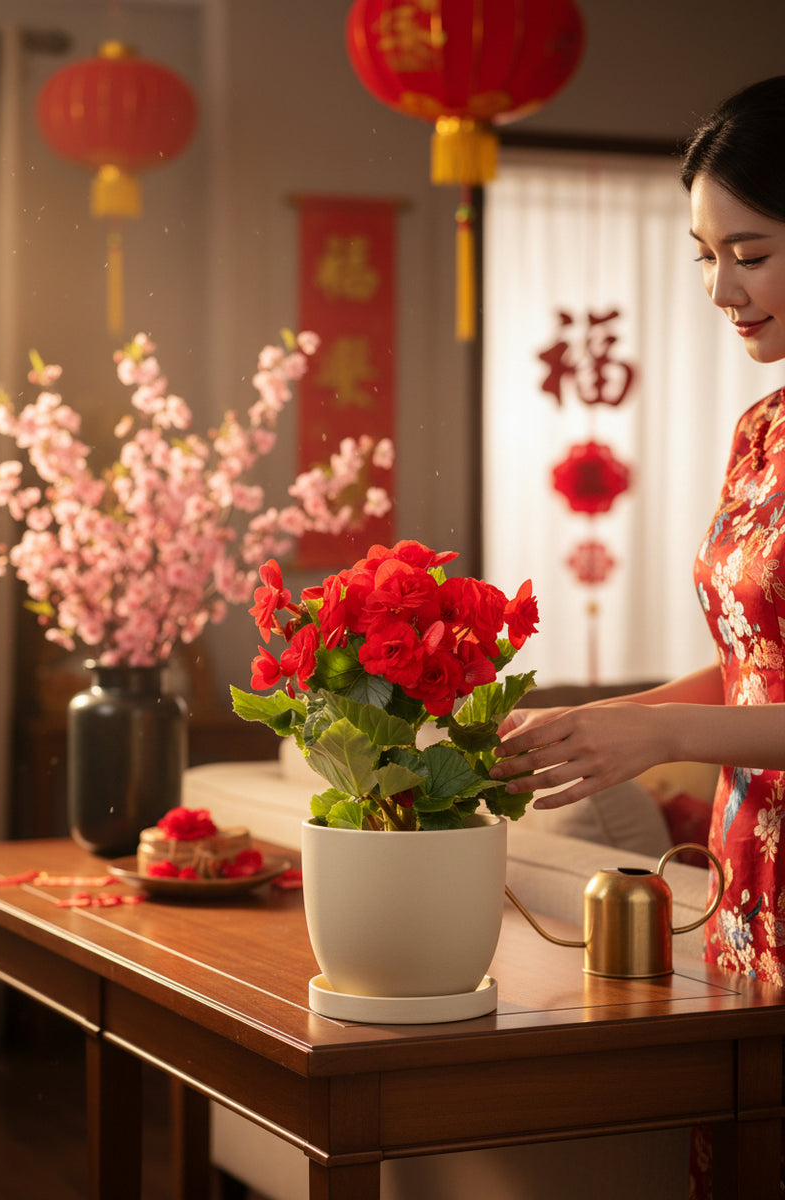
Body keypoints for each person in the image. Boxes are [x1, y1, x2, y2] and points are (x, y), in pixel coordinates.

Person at [491, 76, 785, 1194]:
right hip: (749, 876)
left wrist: (653, 737)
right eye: (702, 255)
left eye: (747, 253)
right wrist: (607, 724)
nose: (720, 287)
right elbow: (757, 661)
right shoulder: (759, 430)